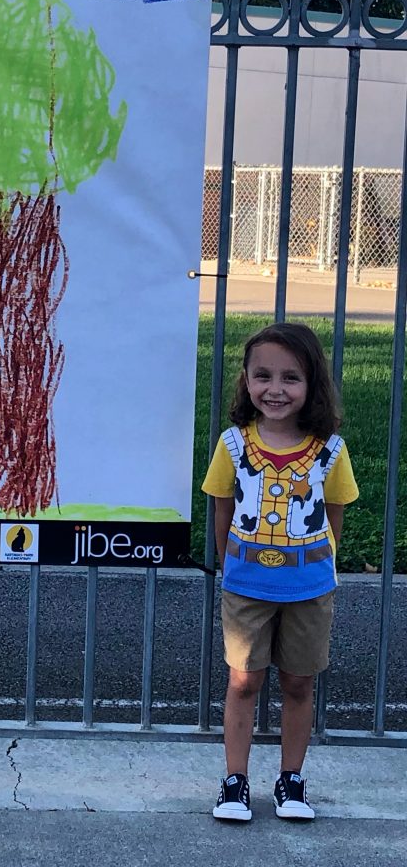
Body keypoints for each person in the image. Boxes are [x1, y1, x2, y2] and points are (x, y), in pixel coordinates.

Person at [202, 322, 358, 822]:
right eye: (263, 375)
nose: (275, 388)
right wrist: (230, 563)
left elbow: (334, 514)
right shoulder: (233, 446)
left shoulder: (330, 450)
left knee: (297, 683)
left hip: (309, 587)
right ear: (246, 381)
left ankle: (291, 780)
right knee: (243, 681)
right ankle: (235, 781)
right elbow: (221, 508)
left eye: (290, 377)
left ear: (312, 384)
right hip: (246, 586)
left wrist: (318, 562)